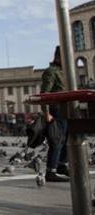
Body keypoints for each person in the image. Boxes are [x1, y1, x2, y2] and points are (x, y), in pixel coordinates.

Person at [42, 46, 70, 182]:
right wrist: (46, 112)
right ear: (59, 57)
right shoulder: (51, 72)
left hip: (66, 109)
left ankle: (61, 165)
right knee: (57, 140)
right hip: (56, 109)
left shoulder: (63, 71)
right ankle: (51, 171)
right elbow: (44, 93)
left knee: (65, 139)